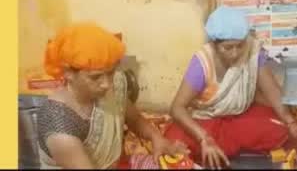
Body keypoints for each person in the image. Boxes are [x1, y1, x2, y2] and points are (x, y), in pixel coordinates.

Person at [165, 6, 297, 169]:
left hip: (239, 116)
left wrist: (291, 123)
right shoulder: (202, 63)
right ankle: (216, 144)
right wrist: (204, 138)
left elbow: (272, 91)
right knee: (174, 140)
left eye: (240, 46)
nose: (235, 53)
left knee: (282, 127)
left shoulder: (251, 50)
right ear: (214, 45)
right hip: (206, 120)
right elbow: (177, 108)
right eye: (228, 48)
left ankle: (225, 144)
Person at [36, 23, 188, 169]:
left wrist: (156, 138)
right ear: (68, 73)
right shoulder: (58, 122)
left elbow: (133, 118)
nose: (107, 84)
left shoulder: (115, 83)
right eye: (95, 77)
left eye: (110, 73)